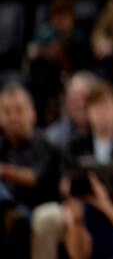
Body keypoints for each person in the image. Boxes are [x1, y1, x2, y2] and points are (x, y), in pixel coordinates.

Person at [32, 81, 113, 259]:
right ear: (88, 112)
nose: (101, 113)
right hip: (81, 205)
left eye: (106, 106)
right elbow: (65, 181)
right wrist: (69, 200)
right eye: (96, 107)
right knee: (46, 217)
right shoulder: (74, 144)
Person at [0, 83, 60, 259]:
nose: (13, 118)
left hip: (35, 209)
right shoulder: (3, 145)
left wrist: (3, 171)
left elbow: (34, 178)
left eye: (19, 110)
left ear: (32, 114)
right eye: (7, 112)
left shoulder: (45, 145)